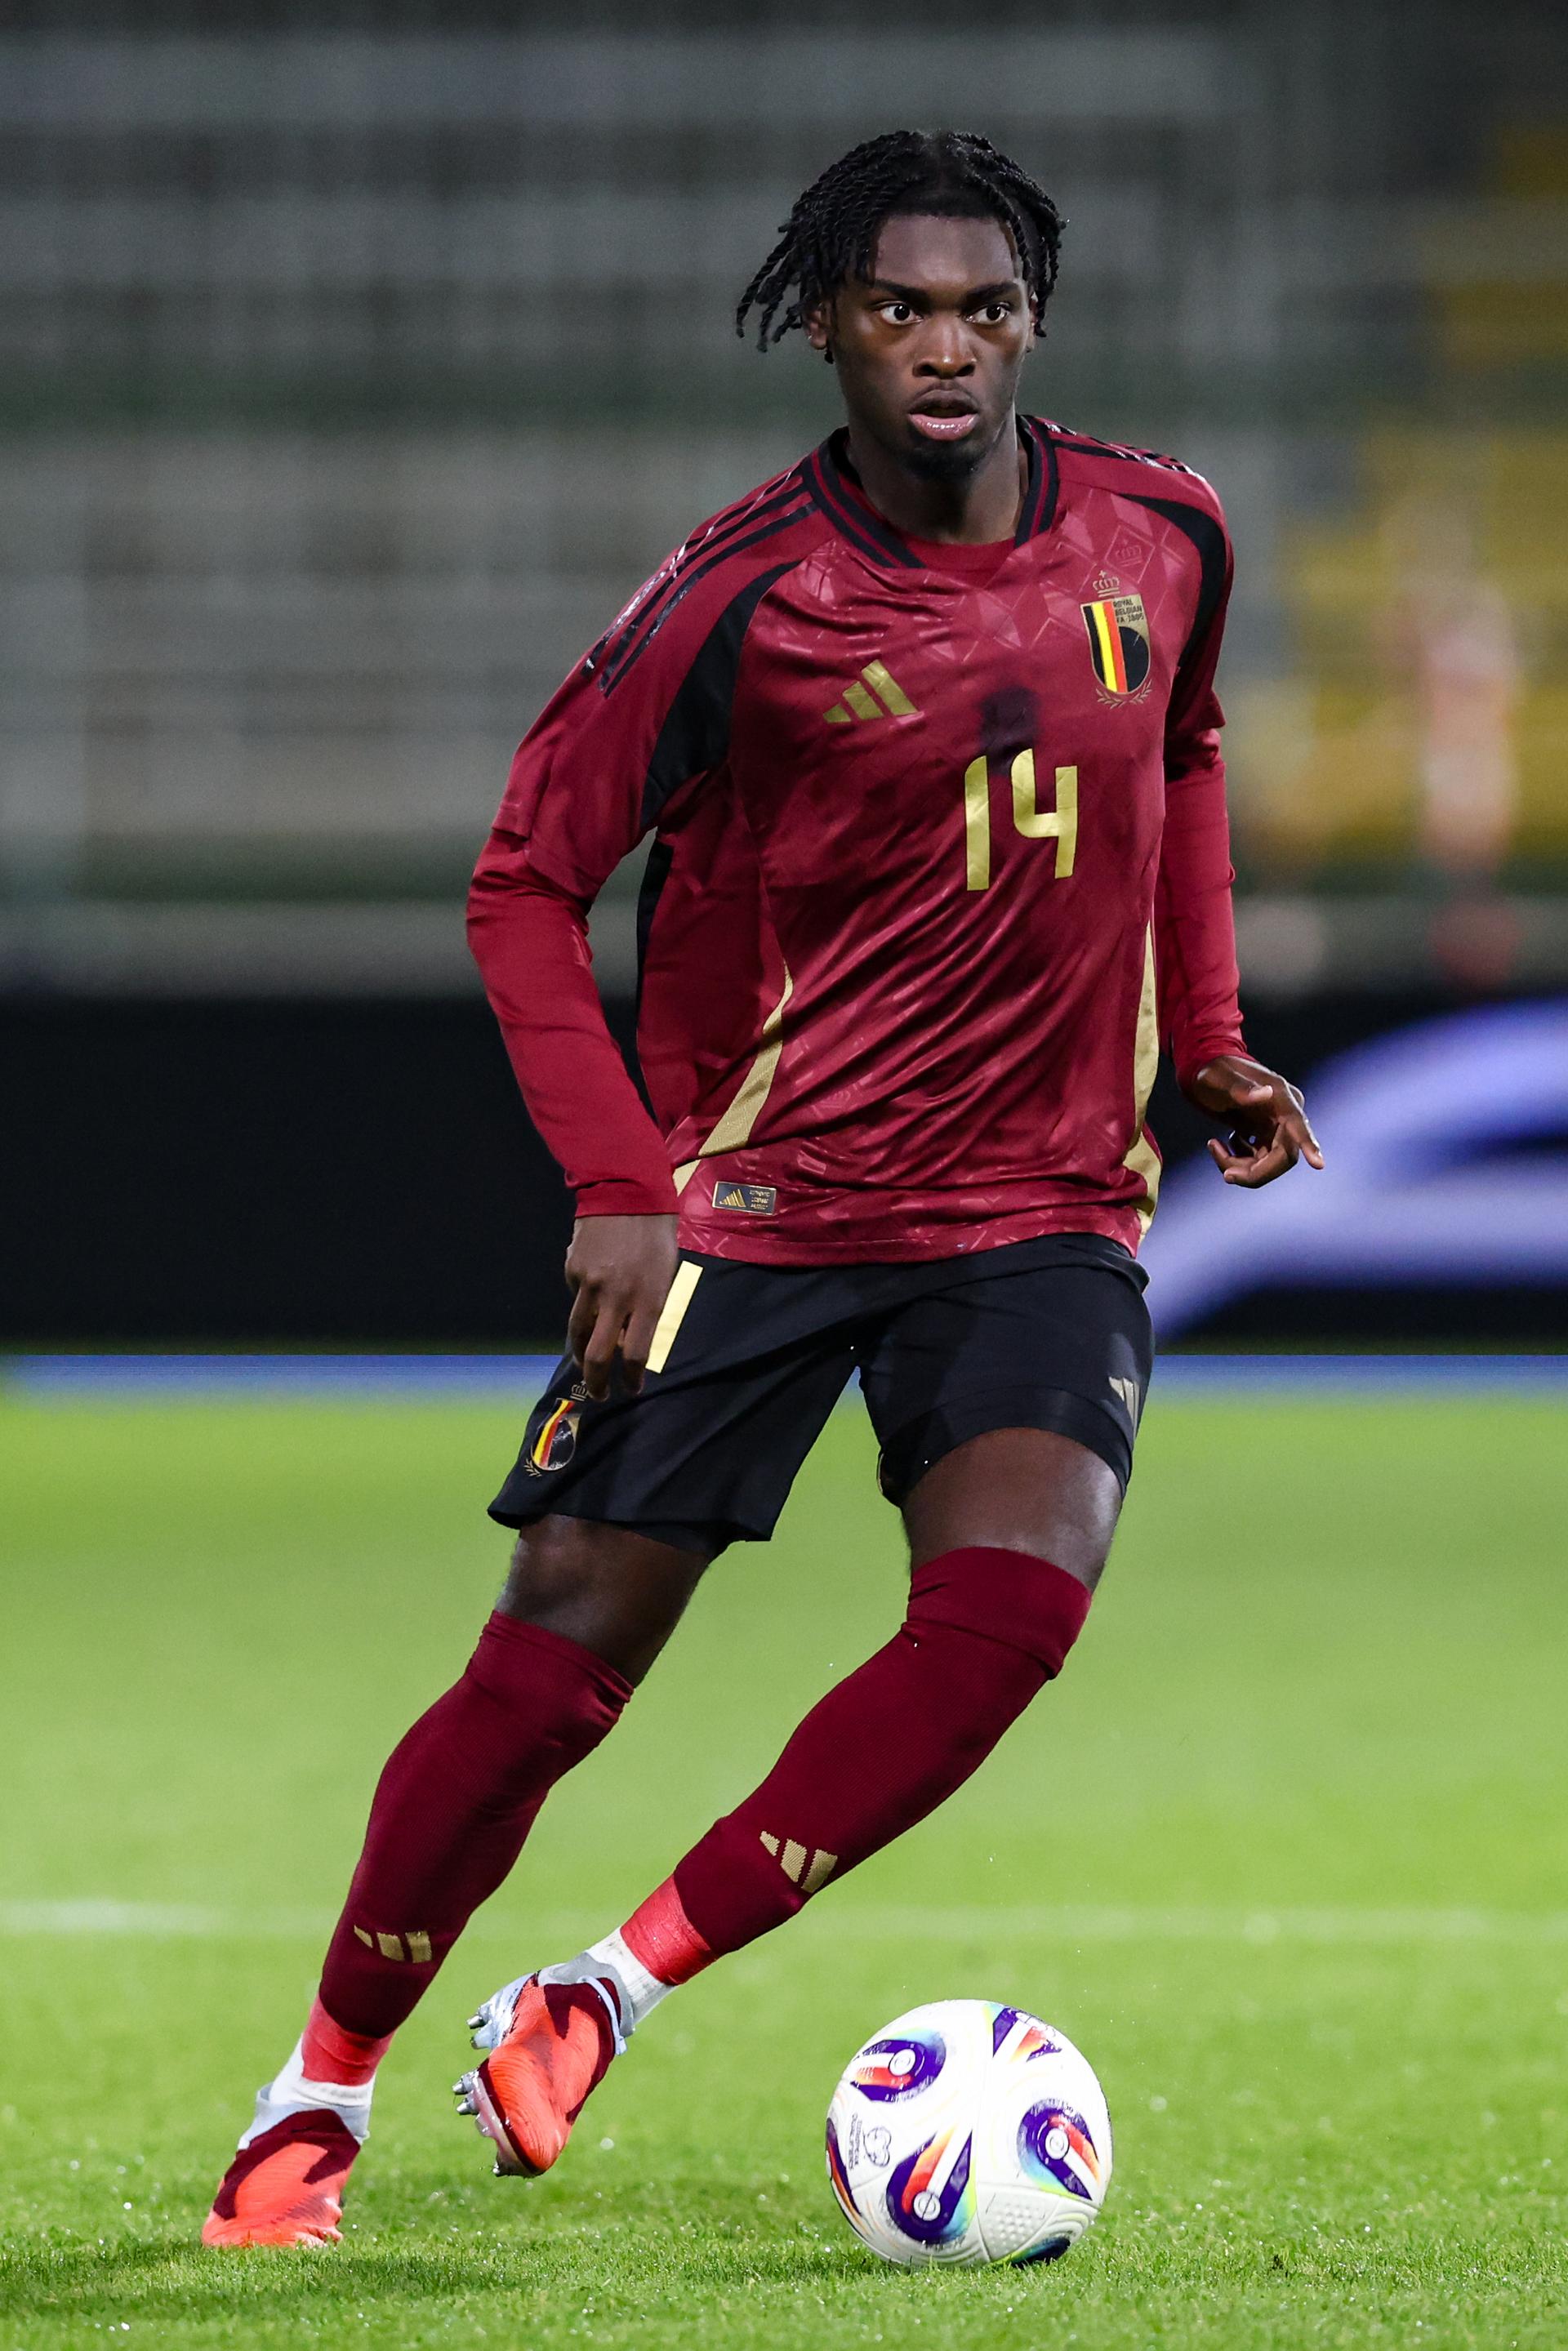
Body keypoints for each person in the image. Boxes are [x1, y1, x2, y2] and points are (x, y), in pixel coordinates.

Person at [203, 127, 1321, 2248]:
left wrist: (1206, 1032)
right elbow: (526, 885)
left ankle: (603, 1989)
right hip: (752, 1205)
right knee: (555, 1668)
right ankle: (318, 2092)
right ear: (822, 320)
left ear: (1033, 326)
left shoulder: (1165, 531)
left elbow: (1180, 748)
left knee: (1009, 1615)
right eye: (898, 304)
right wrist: (621, 1176)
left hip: (1043, 1202)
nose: (944, 345)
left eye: (985, 307)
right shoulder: (746, 599)